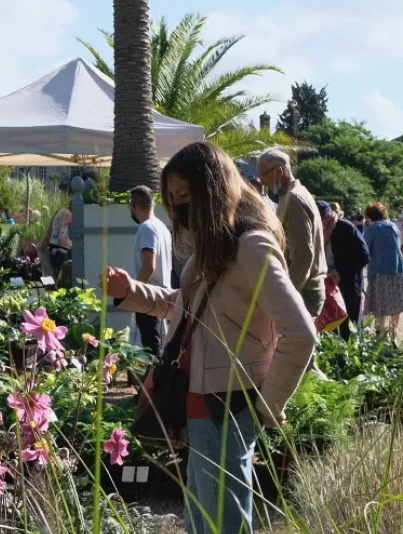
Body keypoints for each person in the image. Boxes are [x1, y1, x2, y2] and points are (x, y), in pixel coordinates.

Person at [102, 142, 318, 534]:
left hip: (229, 404)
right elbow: (184, 306)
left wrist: (266, 408)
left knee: (225, 520)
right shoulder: (216, 244)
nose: (178, 205)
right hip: (199, 398)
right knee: (202, 516)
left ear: (212, 189)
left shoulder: (251, 246)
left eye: (185, 194)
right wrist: (129, 290)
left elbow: (301, 333)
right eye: (172, 197)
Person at [256, 150, 328, 317]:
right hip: (303, 288)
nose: (263, 182)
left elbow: (303, 254)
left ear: (279, 171)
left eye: (264, 175)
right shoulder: (289, 195)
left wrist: (288, 294)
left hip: (304, 290)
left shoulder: (294, 199)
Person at [129, 186, 173, 353]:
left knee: (150, 353)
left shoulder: (147, 228)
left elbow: (149, 266)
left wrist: (133, 292)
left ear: (133, 206)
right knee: (158, 347)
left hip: (149, 298)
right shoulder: (162, 227)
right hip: (162, 296)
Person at [322, 201, 369, 341]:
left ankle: (352, 356)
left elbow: (364, 257)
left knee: (350, 326)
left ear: (330, 215)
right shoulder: (317, 232)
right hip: (327, 285)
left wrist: (340, 272)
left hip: (348, 284)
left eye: (325, 219)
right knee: (329, 327)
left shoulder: (345, 227)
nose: (323, 223)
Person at [361, 203, 403, 341]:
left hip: (380, 270)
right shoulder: (393, 226)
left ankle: (381, 336)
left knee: (379, 305)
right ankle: (394, 333)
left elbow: (365, 250)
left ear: (369, 216)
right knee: (395, 304)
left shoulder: (371, 230)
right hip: (398, 269)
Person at [46, 205, 74, 278]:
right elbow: (62, 237)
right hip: (60, 251)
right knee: (62, 280)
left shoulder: (62, 211)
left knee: (54, 280)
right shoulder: (67, 214)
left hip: (54, 250)